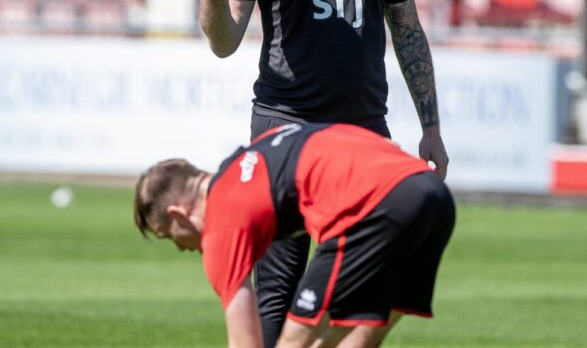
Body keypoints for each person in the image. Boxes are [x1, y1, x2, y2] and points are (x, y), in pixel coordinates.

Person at [183, 0, 450, 346]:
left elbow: (410, 37)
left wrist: (431, 127)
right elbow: (223, 42)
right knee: (278, 288)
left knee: (362, 288)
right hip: (284, 133)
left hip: (363, 136)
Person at [134, 122, 455, 348]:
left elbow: (246, 343)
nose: (181, 248)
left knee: (293, 343)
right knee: (355, 336)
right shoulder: (259, 151)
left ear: (180, 213)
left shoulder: (221, 219)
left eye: (170, 236)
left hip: (376, 203)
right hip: (432, 195)